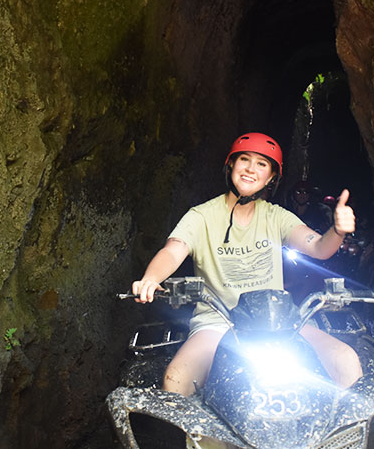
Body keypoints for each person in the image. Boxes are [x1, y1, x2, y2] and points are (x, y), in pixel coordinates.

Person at [131, 132, 362, 396]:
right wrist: (151, 278)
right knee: (176, 378)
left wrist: (338, 231)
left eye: (262, 164)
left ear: (271, 177)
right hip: (218, 323)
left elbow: (318, 247)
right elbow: (173, 251)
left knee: (345, 359)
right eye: (244, 159)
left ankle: (342, 437)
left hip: (278, 322)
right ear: (231, 165)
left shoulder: (275, 216)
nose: (251, 169)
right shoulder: (201, 216)